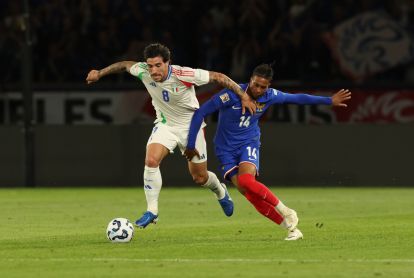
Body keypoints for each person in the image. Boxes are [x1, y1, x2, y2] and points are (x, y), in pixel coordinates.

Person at [86, 43, 257, 228]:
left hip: (192, 127)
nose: (153, 70)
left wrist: (243, 96)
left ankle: (220, 191)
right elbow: (125, 65)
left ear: (168, 63)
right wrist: (99, 72)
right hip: (166, 125)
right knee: (151, 161)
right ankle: (152, 211)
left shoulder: (183, 74)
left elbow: (218, 77)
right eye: (150, 65)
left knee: (200, 178)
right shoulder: (142, 71)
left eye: (158, 65)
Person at [184, 63, 351, 240]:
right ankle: (291, 229)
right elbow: (201, 112)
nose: (258, 89)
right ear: (250, 80)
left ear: (268, 86)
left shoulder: (270, 96)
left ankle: (286, 211)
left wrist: (329, 101)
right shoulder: (231, 94)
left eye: (263, 86)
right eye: (256, 84)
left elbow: (297, 98)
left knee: (247, 181)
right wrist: (191, 143)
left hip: (249, 142)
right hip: (225, 149)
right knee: (248, 193)